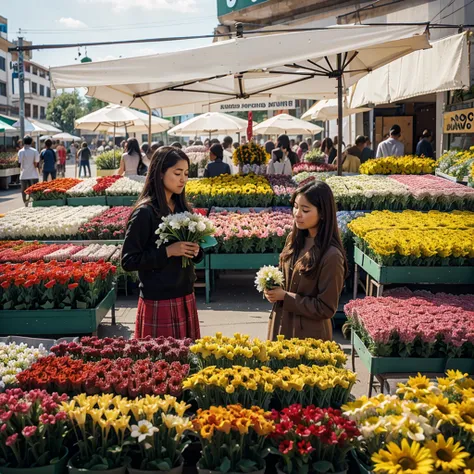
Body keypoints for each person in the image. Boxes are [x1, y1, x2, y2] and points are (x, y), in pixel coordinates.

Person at [121, 147, 203, 339]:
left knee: (188, 364)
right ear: (159, 173)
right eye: (177, 173)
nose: (183, 179)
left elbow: (198, 255)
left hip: (185, 295)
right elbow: (128, 261)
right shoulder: (145, 212)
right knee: (160, 365)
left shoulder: (183, 209)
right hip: (158, 300)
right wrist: (168, 251)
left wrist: (196, 250)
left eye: (186, 173)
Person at [266, 180, 348, 341]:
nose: (297, 214)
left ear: (323, 213)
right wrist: (272, 289)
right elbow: (284, 278)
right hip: (281, 325)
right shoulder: (293, 239)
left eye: (305, 209)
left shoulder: (332, 255)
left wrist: (285, 297)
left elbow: (326, 308)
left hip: (309, 337)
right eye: (295, 206)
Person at [18, 135, 40, 205]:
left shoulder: (21, 151)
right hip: (33, 174)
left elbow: (19, 162)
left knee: (24, 191)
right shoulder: (34, 151)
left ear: (23, 142)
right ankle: (34, 202)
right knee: (34, 190)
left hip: (24, 175)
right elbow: (37, 161)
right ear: (31, 142)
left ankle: (26, 203)